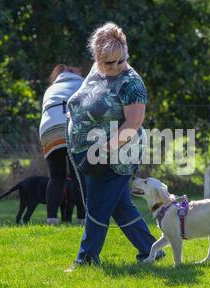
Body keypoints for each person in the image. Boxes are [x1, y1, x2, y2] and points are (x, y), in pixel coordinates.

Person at [66, 22, 165, 266]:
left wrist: (103, 151)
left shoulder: (132, 83)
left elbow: (133, 123)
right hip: (90, 153)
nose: (116, 66)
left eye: (121, 61)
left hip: (116, 158)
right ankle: (151, 250)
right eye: (109, 62)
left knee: (97, 207)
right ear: (97, 57)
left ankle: (86, 259)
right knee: (121, 207)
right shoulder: (95, 71)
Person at [39, 64, 85, 225]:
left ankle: (51, 219)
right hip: (72, 126)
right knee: (79, 176)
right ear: (76, 73)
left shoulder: (50, 89)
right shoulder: (84, 83)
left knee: (56, 176)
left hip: (49, 129)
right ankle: (82, 218)